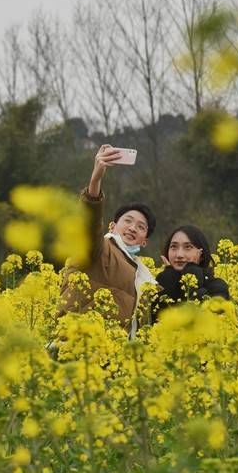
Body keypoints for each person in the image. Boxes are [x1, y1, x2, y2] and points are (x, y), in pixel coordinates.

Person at [56, 145, 158, 338]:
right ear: (112, 226)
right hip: (79, 344)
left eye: (141, 227)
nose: (133, 228)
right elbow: (88, 225)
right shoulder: (98, 248)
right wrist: (95, 183)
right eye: (128, 221)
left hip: (114, 354)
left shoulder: (145, 275)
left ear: (144, 241)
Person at [154, 225, 230, 316]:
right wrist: (169, 276)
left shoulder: (217, 286)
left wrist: (192, 271)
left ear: (201, 254)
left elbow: (206, 317)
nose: (179, 255)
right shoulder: (159, 282)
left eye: (187, 247)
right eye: (174, 246)